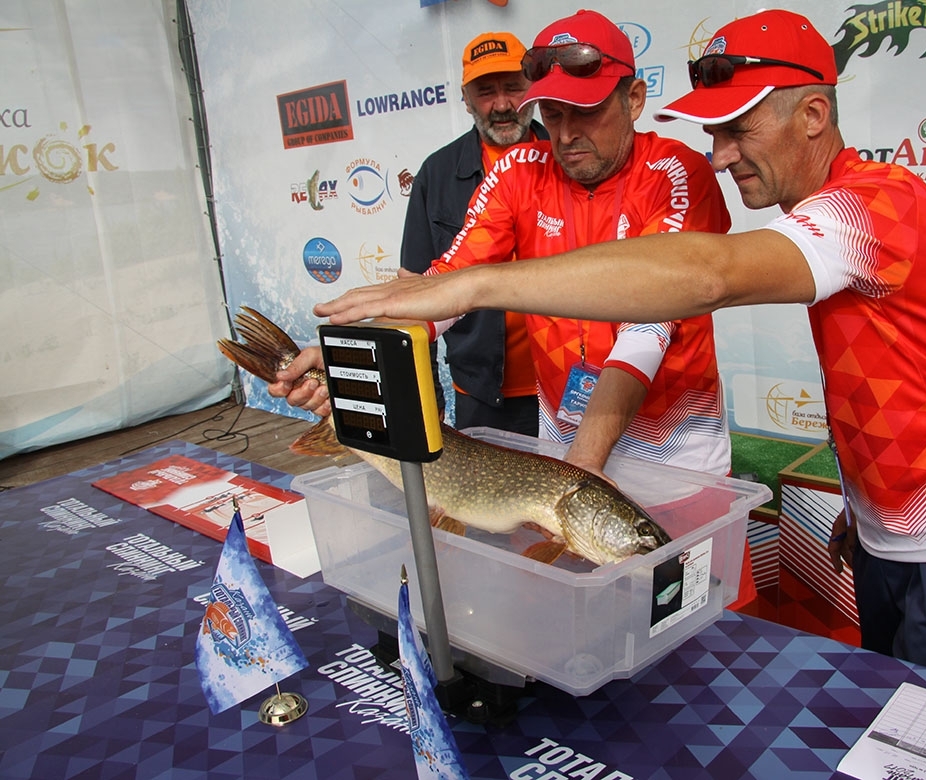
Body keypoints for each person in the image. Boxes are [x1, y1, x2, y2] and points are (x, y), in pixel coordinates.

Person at [311, 9, 926, 693]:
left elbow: (700, 280)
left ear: (815, 114)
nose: (721, 156)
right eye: (714, 134)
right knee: (895, 723)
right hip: (902, 537)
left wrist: (469, 291)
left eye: (738, 130)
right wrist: (869, 505)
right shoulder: (842, 209)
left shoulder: (869, 205)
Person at [273, 9, 756, 608]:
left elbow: (648, 328)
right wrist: (355, 358)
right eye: (552, 114)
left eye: (587, 111)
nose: (567, 132)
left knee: (701, 629)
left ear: (634, 98)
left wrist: (579, 471)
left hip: (671, 463)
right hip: (562, 474)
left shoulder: (676, 174)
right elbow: (450, 285)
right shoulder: (518, 172)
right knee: (586, 636)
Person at [401, 32, 546, 437]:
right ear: (465, 98)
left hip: (568, 387)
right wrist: (424, 400)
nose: (501, 105)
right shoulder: (436, 173)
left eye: (513, 88)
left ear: (533, 89)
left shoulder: (567, 158)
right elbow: (415, 292)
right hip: (480, 393)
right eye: (485, 92)